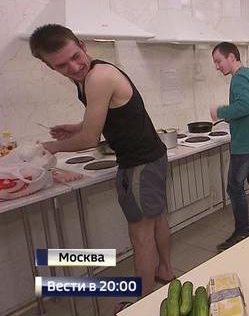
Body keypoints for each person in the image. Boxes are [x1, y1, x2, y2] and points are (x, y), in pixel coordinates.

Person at [29, 24, 173, 299]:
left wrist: (49, 147)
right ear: (50, 67)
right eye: (62, 65)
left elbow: (90, 139)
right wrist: (76, 126)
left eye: (75, 56)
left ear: (82, 45)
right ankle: (165, 270)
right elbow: (106, 113)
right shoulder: (87, 76)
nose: (73, 67)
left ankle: (141, 302)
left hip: (140, 164)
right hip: (150, 157)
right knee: (155, 220)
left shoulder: (98, 76)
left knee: (140, 236)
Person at [209, 42, 249, 251]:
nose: (217, 67)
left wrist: (221, 112)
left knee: (234, 187)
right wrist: (244, 119)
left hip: (244, 145)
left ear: (231, 57)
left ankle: (241, 232)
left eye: (218, 61)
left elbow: (247, 105)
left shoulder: (238, 78)